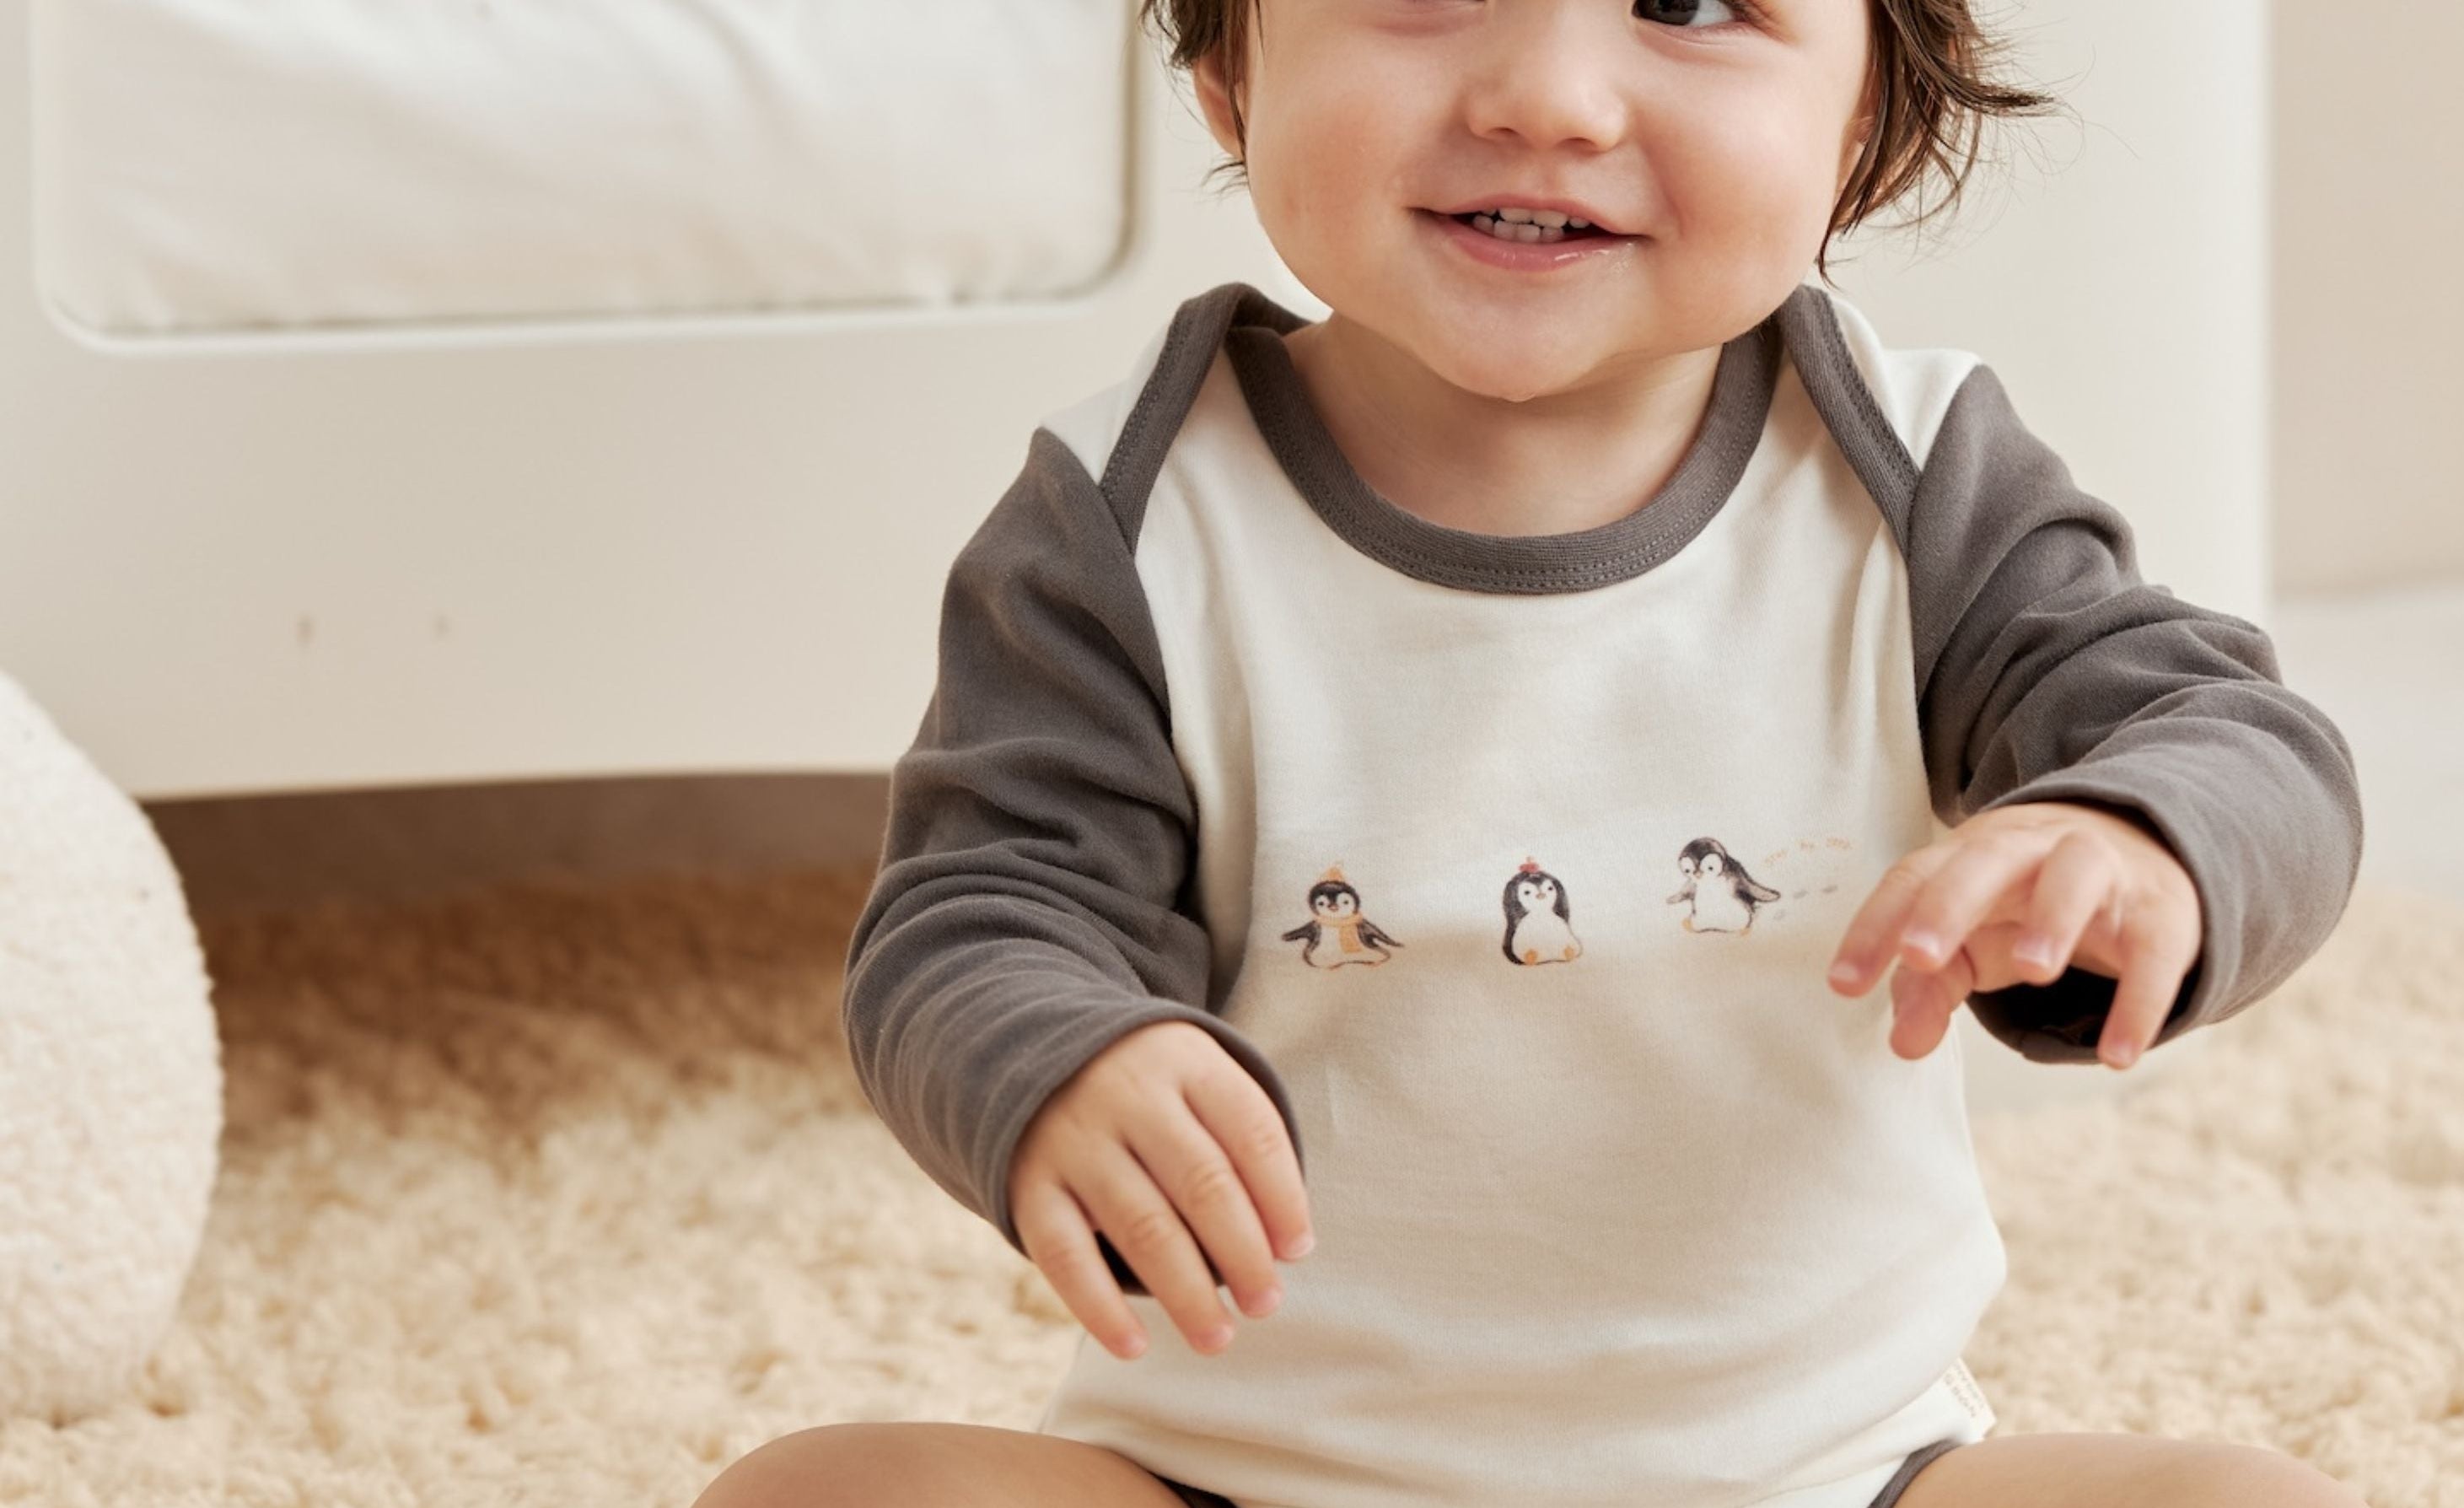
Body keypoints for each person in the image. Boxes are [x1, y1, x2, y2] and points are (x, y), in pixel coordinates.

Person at [697, 0, 2364, 1502]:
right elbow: (977, 907)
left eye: (1691, 2)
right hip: (1245, 1477)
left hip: (1828, 1469)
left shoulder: (1914, 480)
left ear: (1860, 111)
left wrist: (2134, 839)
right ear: (1226, 66)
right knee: (815, 1499)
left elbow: (2233, 737)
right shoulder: (1128, 517)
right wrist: (1054, 1057)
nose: (1551, 97)